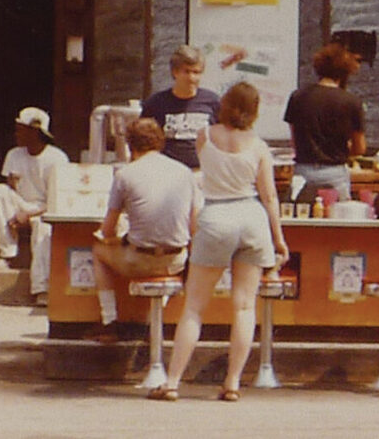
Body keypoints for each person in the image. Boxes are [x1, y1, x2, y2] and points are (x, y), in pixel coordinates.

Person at [149, 82, 288, 402]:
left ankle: (172, 383)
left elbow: (206, 171)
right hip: (252, 218)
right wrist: (279, 239)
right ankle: (233, 383)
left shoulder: (205, 137)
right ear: (254, 111)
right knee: (243, 306)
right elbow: (269, 196)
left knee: (194, 308)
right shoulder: (259, 147)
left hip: (216, 216)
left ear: (224, 105)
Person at [86, 118, 201, 344]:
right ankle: (153, 322)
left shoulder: (124, 175)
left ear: (130, 145)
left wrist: (116, 237)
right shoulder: (185, 172)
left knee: (98, 251)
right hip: (176, 261)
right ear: (160, 142)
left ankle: (110, 321)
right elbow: (195, 226)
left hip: (137, 262)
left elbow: (107, 230)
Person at [0, 107, 69, 307]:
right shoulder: (14, 154)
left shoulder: (57, 158)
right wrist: (19, 211)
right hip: (22, 204)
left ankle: (41, 288)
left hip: (45, 208)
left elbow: (57, 199)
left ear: (35, 132)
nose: (17, 134)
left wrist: (30, 214)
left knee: (43, 228)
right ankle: (7, 254)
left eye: (21, 129)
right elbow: (10, 188)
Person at [283, 42, 366, 201]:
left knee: (301, 217)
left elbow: (295, 140)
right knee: (338, 221)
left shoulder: (297, 97)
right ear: (345, 72)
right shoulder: (351, 101)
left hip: (303, 170)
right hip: (335, 172)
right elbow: (360, 148)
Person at [140, 45, 220, 170]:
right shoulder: (155, 103)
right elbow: (142, 142)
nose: (191, 78)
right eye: (186, 71)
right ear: (175, 72)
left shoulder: (213, 101)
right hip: (167, 171)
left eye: (196, 72)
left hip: (202, 172)